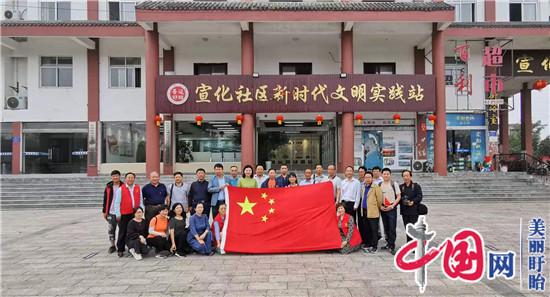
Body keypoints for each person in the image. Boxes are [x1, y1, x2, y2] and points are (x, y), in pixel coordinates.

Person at [113, 172, 143, 257]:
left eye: (132, 177)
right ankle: (120, 249)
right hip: (124, 214)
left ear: (134, 179)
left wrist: (141, 210)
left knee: (134, 232)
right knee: (122, 232)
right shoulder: (121, 189)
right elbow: (117, 203)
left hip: (135, 213)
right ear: (125, 179)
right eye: (128, 178)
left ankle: (132, 247)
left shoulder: (137, 188)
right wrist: (118, 214)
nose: (130, 179)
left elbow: (140, 200)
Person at [359, 172, 384, 253]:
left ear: (372, 178)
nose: (367, 179)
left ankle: (374, 246)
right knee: (367, 229)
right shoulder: (363, 187)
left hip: (373, 211)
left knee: (374, 230)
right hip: (365, 211)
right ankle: (369, 244)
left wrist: (376, 207)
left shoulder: (376, 187)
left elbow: (380, 199)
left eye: (369, 177)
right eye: (366, 177)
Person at [379, 168, 401, 255]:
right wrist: (380, 206)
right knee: (386, 227)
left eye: (387, 174)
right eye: (384, 174)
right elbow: (378, 197)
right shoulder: (380, 184)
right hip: (383, 208)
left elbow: (399, 196)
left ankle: (392, 245)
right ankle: (388, 243)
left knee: (392, 227)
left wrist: (392, 206)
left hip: (391, 208)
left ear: (390, 175)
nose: (386, 175)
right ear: (382, 175)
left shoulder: (394, 184)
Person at [399, 170, 423, 242]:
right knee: (407, 228)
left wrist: (413, 201)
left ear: (411, 176)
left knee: (414, 228)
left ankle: (415, 243)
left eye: (407, 176)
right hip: (404, 211)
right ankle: (409, 243)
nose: (406, 177)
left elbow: (420, 196)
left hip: (414, 211)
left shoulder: (416, 186)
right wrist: (403, 201)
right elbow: (398, 198)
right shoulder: (401, 187)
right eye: (404, 176)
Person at [102, 170, 121, 254]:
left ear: (119, 176)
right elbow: (105, 199)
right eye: (113, 176)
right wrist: (104, 211)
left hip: (121, 212)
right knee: (111, 229)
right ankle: (112, 245)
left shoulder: (123, 186)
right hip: (111, 212)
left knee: (122, 229)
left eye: (117, 176)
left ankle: (121, 245)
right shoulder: (108, 186)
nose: (115, 177)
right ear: (111, 177)